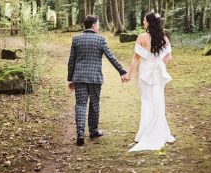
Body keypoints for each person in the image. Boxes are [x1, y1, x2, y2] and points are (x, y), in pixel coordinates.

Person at [67, 14, 129, 146]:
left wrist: (70, 79)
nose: (99, 26)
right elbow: (111, 57)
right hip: (95, 78)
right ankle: (93, 131)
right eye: (98, 24)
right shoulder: (100, 39)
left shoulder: (76, 39)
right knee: (94, 104)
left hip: (79, 78)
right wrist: (122, 71)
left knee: (81, 104)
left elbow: (71, 61)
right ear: (94, 25)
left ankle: (80, 133)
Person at [125, 11, 175, 152]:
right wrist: (159, 64)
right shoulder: (163, 38)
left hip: (146, 73)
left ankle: (145, 133)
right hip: (158, 73)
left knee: (147, 101)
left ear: (149, 22)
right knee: (158, 100)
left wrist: (129, 75)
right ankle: (161, 131)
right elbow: (169, 57)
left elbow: (136, 58)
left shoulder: (142, 37)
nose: (143, 22)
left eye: (144, 20)